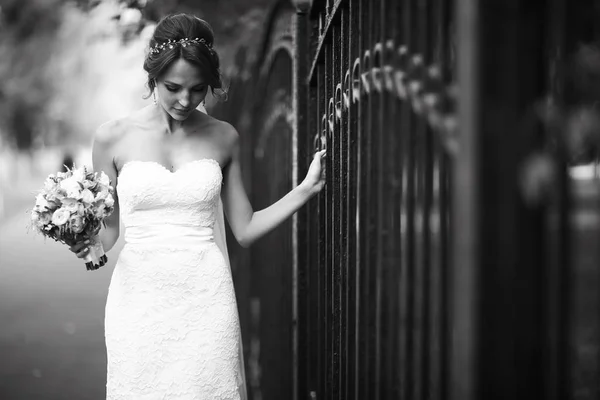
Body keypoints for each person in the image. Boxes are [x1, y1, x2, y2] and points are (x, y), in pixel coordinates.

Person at [69, 13, 326, 400]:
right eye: (173, 87)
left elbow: (245, 228)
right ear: (152, 75)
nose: (186, 100)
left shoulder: (224, 138)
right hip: (138, 301)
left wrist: (306, 189)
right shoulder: (112, 138)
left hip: (207, 297)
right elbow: (109, 233)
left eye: (198, 89)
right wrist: (83, 241)